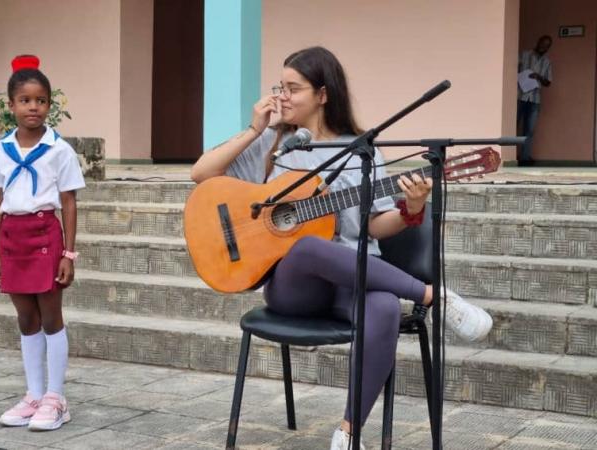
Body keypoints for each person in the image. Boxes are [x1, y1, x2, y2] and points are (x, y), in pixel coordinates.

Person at [191, 46, 493, 450]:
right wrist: (254, 128)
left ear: (323, 94)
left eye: (293, 88)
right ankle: (433, 295)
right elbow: (201, 174)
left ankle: (347, 434)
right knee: (307, 248)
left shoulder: (362, 154)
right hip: (294, 287)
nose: (282, 96)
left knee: (384, 306)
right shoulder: (275, 144)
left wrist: (412, 208)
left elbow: (375, 226)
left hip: (353, 282)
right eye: (279, 86)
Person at [0, 54, 85, 431]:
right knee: (25, 317)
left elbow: (70, 201)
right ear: (11, 105)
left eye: (41, 100)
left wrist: (68, 253)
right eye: (25, 100)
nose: (33, 107)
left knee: (50, 315)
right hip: (12, 237)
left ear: (49, 105)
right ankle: (34, 394)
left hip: (46, 235)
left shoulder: (60, 150)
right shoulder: (0, 150)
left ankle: (56, 398)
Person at [517, 35, 553, 166]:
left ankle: (524, 157)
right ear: (538, 42)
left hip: (535, 100)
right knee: (513, 125)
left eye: (547, 46)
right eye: (543, 44)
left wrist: (538, 76)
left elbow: (548, 82)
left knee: (529, 129)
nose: (544, 47)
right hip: (519, 96)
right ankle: (509, 156)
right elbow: (512, 68)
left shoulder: (547, 62)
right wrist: (522, 75)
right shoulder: (524, 55)